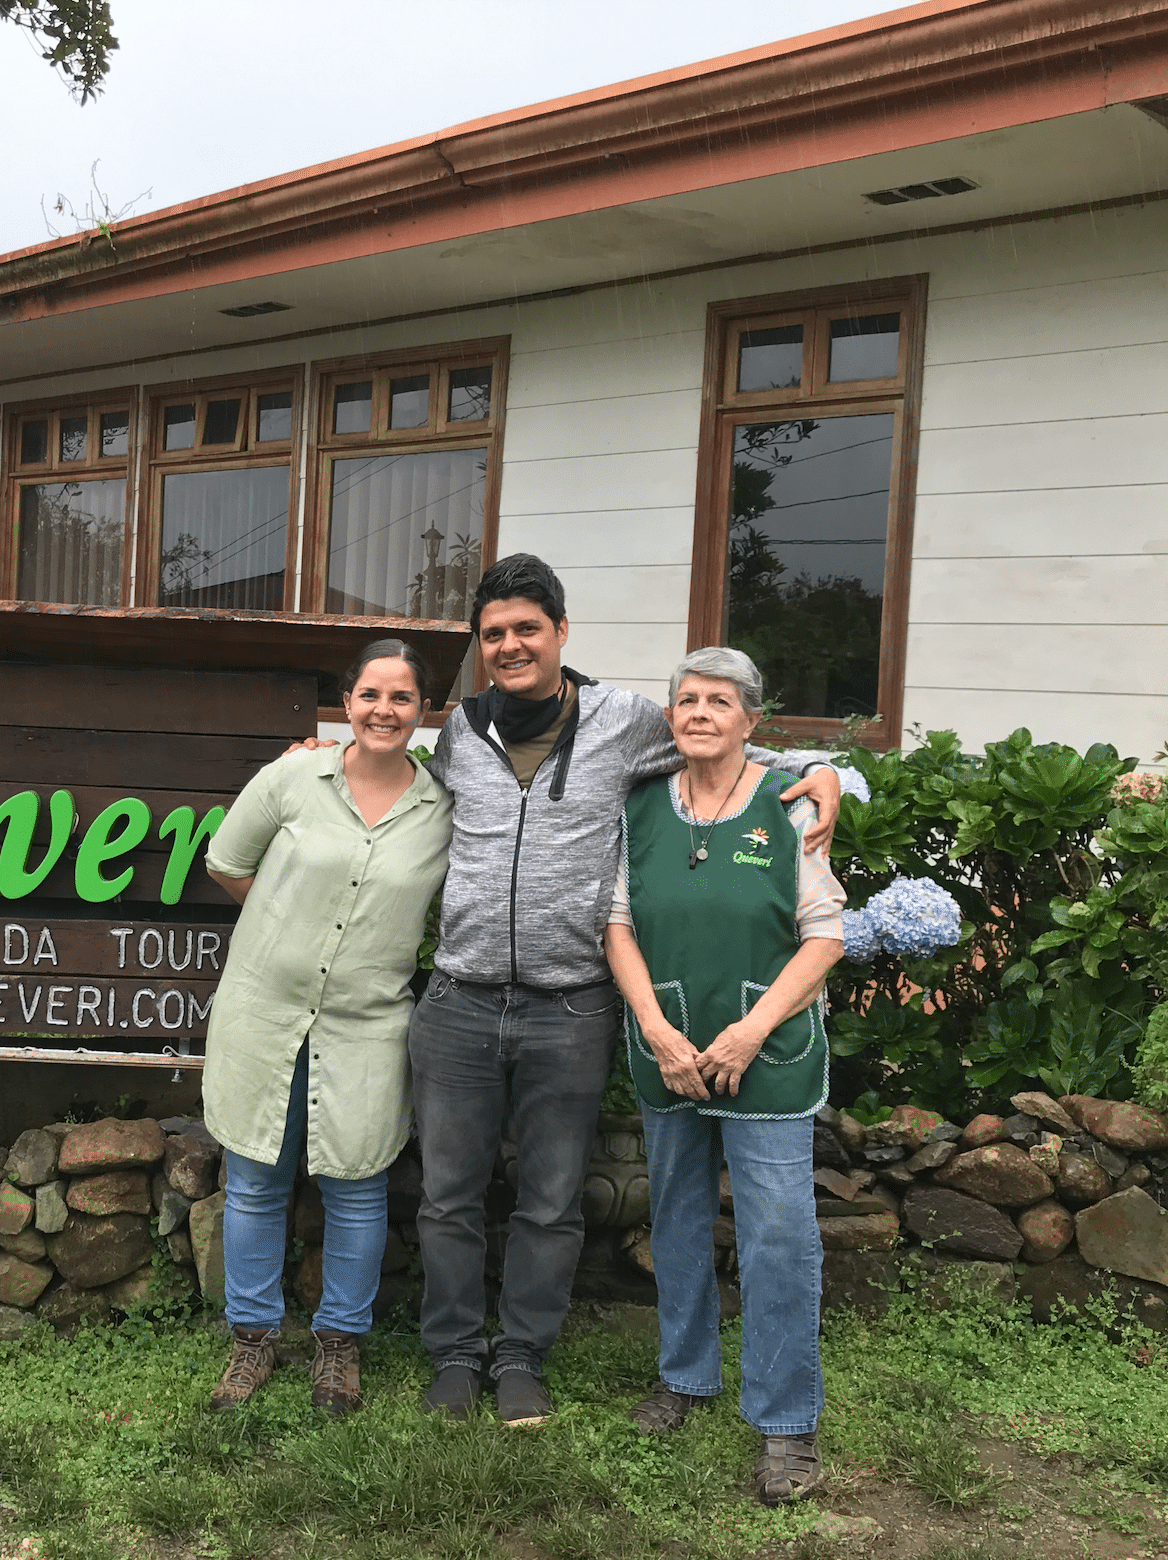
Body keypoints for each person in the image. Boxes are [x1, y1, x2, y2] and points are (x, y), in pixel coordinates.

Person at [405, 553, 850, 1428]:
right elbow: (391, 773)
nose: (510, 646)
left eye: (527, 628)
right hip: (459, 999)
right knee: (446, 1194)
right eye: (492, 634)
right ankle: (456, 1356)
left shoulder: (625, 720)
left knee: (552, 1198)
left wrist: (830, 771)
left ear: (562, 634)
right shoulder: (459, 731)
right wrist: (319, 754)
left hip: (570, 1006)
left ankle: (524, 1356)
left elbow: (726, 741)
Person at [604, 646, 845, 1506]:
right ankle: (686, 1376)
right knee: (674, 1218)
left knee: (779, 1237)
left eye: (718, 702)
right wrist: (658, 1029)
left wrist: (748, 1032)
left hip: (765, 1057)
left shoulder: (789, 806)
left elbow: (825, 937)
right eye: (686, 700)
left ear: (751, 720)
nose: (698, 713)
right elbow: (618, 924)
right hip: (668, 1047)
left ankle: (785, 1425)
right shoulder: (639, 806)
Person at [201, 638, 452, 1417]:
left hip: (368, 1024)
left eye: (401, 698)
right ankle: (252, 1341)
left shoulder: (442, 808)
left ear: (423, 712)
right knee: (253, 1182)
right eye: (370, 695)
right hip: (263, 1012)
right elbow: (225, 862)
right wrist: (284, 934)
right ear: (345, 704)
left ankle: (339, 1348)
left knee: (357, 1183)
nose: (384, 710)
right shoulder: (291, 777)